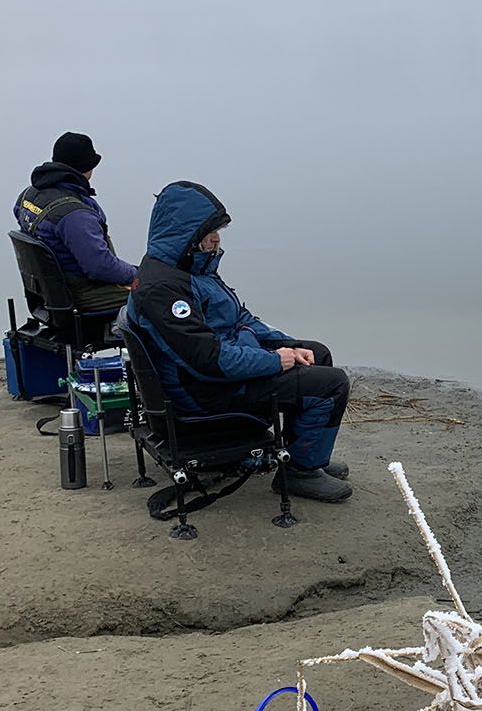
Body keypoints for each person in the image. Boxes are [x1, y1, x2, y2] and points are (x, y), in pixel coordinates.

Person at [128, 180, 353, 504]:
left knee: (317, 353)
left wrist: (286, 344)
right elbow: (208, 359)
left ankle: (304, 453)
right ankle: (299, 472)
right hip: (207, 393)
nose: (216, 239)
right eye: (209, 232)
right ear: (186, 234)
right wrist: (276, 360)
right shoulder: (163, 289)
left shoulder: (191, 269)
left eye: (217, 231)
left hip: (218, 374)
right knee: (333, 384)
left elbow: (239, 319)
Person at [13, 132, 137, 312]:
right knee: (160, 294)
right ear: (86, 167)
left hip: (50, 294)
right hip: (82, 295)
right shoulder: (76, 215)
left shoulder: (28, 195)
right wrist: (139, 274)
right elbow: (100, 267)